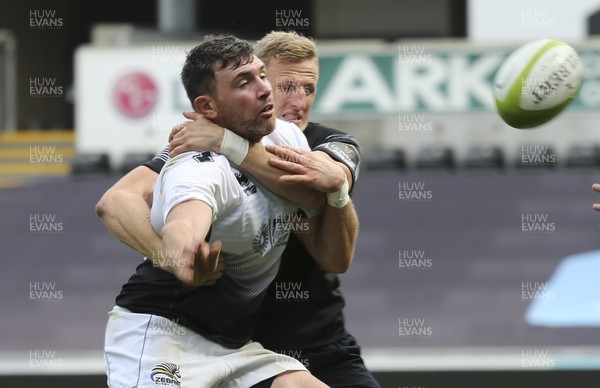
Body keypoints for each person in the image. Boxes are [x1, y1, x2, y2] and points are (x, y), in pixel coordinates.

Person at [97, 31, 378, 387]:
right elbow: (162, 213)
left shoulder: (301, 140)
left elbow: (312, 197)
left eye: (308, 89)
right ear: (208, 107)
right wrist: (178, 256)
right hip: (168, 333)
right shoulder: (197, 161)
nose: (295, 100)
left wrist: (228, 142)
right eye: (283, 86)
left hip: (287, 341)